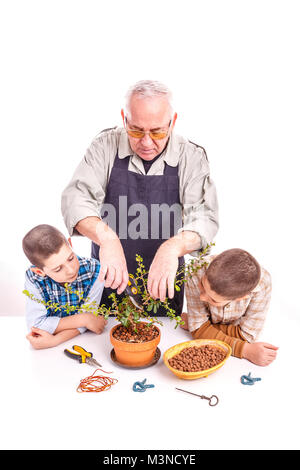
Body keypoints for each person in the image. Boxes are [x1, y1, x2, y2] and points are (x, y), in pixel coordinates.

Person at [61, 80, 219, 315]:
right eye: (135, 130)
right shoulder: (105, 145)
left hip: (163, 282)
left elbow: (205, 217)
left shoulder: (191, 156)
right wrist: (107, 238)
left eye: (157, 132)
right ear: (124, 119)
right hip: (108, 277)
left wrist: (172, 247)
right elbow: (75, 198)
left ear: (172, 122)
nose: (146, 142)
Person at [181, 248, 278, 366]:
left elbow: (246, 335)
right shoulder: (196, 271)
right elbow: (198, 328)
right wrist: (246, 350)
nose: (202, 297)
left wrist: (202, 328)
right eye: (202, 285)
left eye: (213, 300)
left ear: (240, 298)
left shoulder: (263, 285)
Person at [22, 224, 107, 349]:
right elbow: (37, 326)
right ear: (40, 272)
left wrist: (55, 340)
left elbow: (92, 322)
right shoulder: (34, 278)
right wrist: (83, 319)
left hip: (86, 343)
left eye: (71, 258)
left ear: (70, 243)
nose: (71, 270)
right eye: (58, 269)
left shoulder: (94, 271)